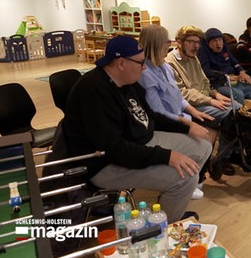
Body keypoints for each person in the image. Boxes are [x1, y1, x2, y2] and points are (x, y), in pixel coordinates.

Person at [56, 35, 212, 223]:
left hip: (137, 142)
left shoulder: (127, 82)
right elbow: (115, 150)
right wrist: (166, 156)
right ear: (121, 63)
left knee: (203, 145)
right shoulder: (94, 91)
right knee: (186, 178)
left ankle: (171, 205)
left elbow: (150, 117)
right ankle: (164, 227)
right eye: (140, 62)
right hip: (104, 164)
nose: (144, 67)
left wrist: (186, 127)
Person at [138, 24, 217, 200]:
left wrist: (193, 112)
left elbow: (178, 96)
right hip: (164, 123)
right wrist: (187, 122)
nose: (170, 44)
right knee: (205, 136)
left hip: (180, 115)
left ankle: (196, 176)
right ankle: (189, 178)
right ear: (156, 44)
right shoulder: (145, 73)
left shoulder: (164, 67)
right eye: (167, 41)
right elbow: (158, 112)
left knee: (212, 125)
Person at [166, 26, 240, 175]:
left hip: (205, 99)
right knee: (233, 114)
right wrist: (209, 100)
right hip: (191, 106)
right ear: (179, 42)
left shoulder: (194, 59)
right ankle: (222, 158)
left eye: (197, 42)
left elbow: (205, 81)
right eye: (191, 42)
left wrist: (215, 94)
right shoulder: (170, 63)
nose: (195, 46)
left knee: (240, 108)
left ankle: (232, 153)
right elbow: (182, 94)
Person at [198, 27, 251, 104]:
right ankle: (237, 115)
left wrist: (242, 72)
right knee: (238, 94)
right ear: (208, 43)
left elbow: (234, 61)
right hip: (218, 84)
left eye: (220, 40)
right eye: (214, 41)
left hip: (232, 81)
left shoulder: (224, 47)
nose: (218, 44)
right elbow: (206, 71)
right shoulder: (202, 51)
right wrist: (226, 76)